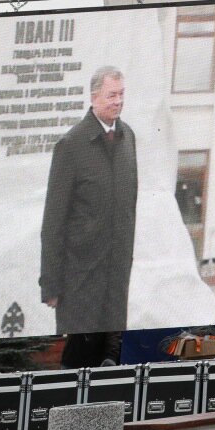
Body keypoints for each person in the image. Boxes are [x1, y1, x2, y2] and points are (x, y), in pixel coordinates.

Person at [40, 66, 138, 369]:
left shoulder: (127, 138)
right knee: (80, 360)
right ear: (94, 96)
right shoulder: (71, 145)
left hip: (116, 271)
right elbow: (53, 220)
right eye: (112, 95)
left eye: (121, 94)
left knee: (113, 360)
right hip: (81, 276)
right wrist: (51, 284)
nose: (118, 101)